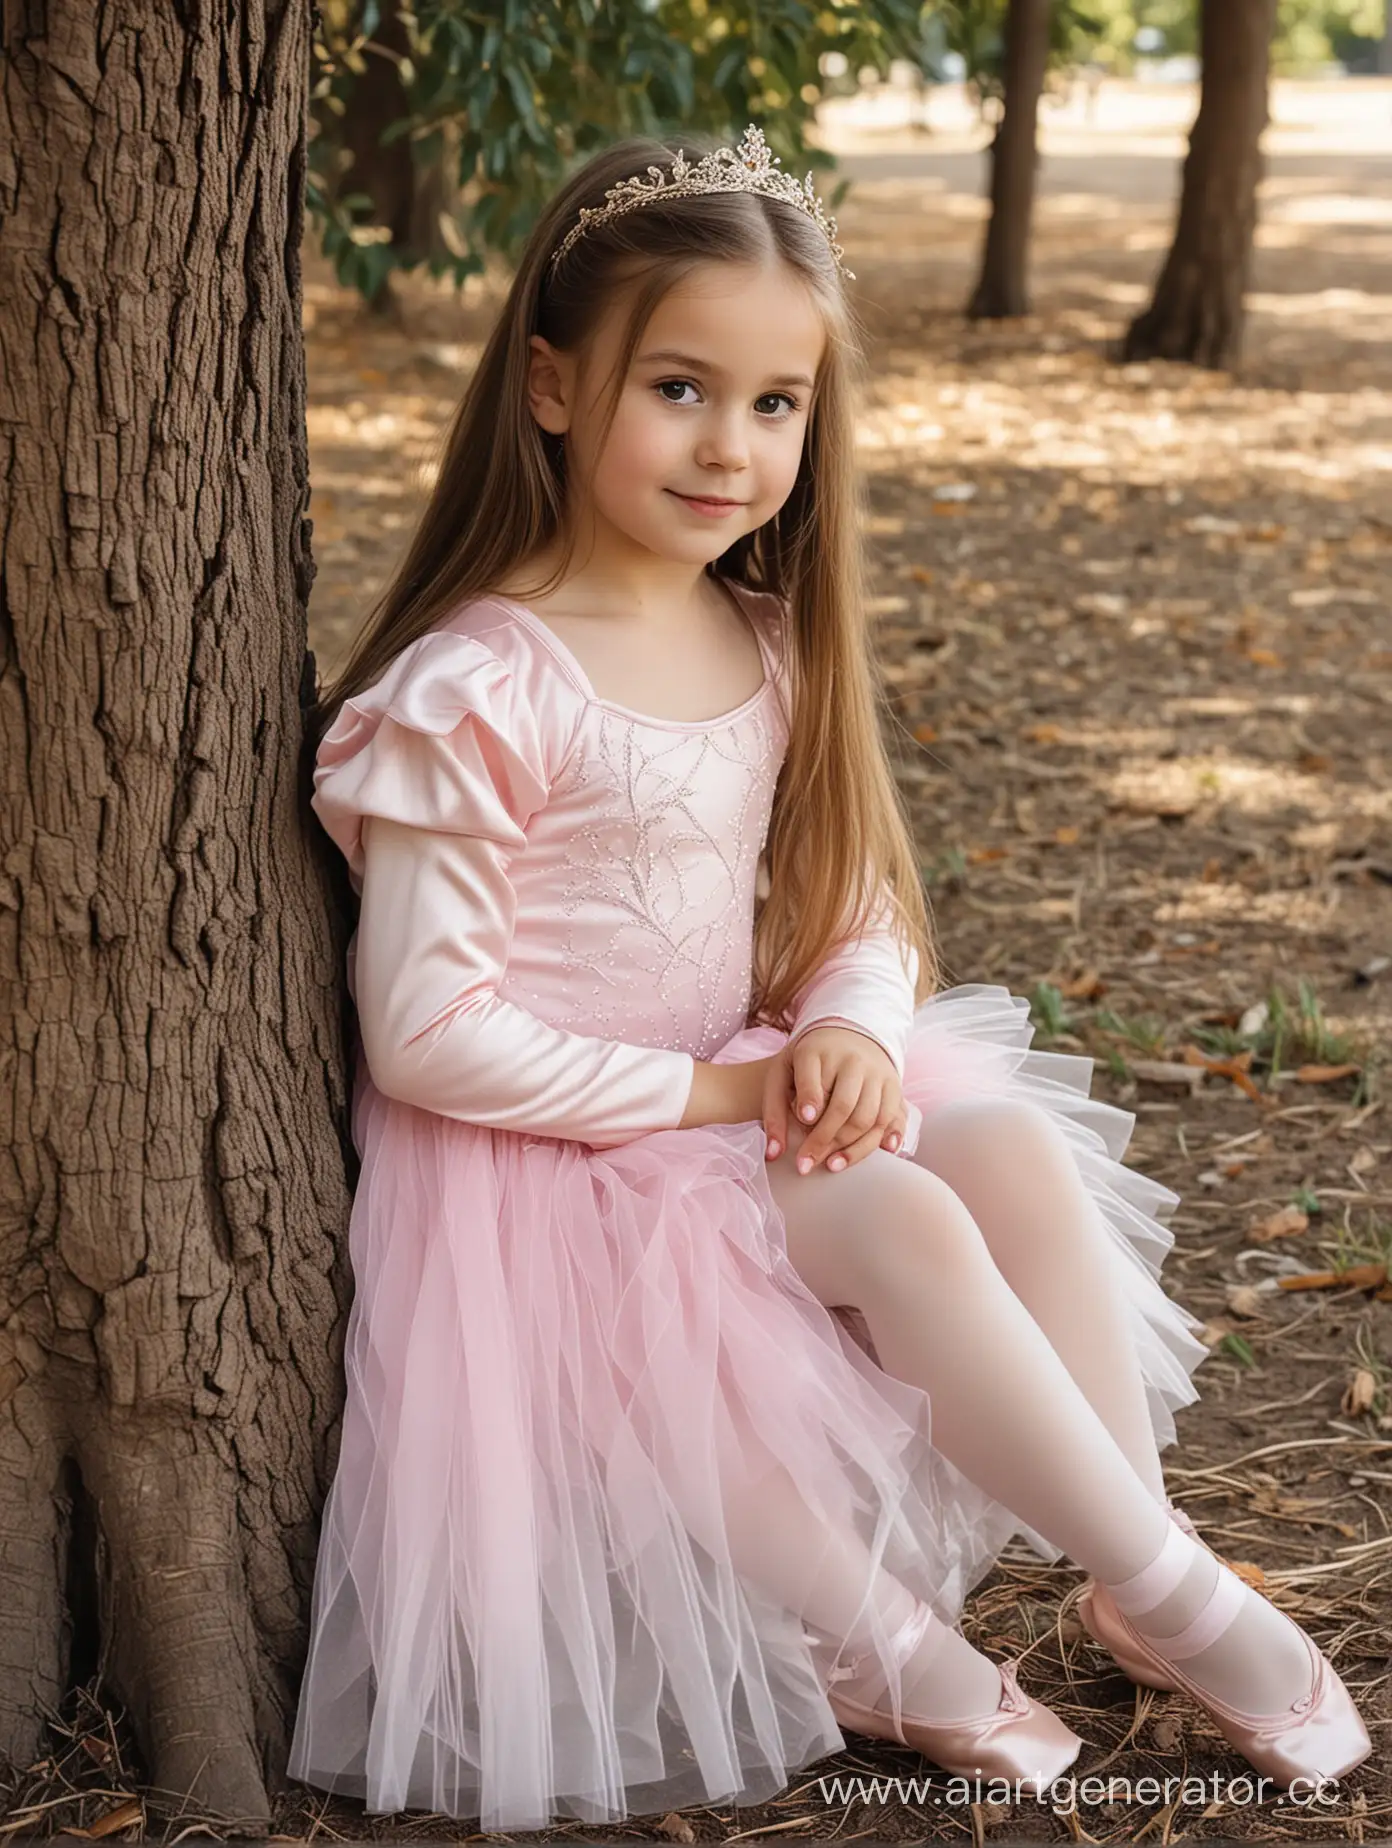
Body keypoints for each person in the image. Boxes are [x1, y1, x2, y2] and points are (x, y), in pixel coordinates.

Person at [286, 125, 1371, 1831]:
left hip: (740, 1085)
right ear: (556, 386)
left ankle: (1130, 1577)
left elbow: (851, 892)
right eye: (683, 389)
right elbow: (425, 1033)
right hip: (555, 1167)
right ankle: (981, 1626)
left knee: (997, 1142)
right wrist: (726, 1089)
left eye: (777, 404)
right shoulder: (476, 683)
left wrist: (857, 1025)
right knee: (905, 1221)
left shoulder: (766, 633)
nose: (733, 447)